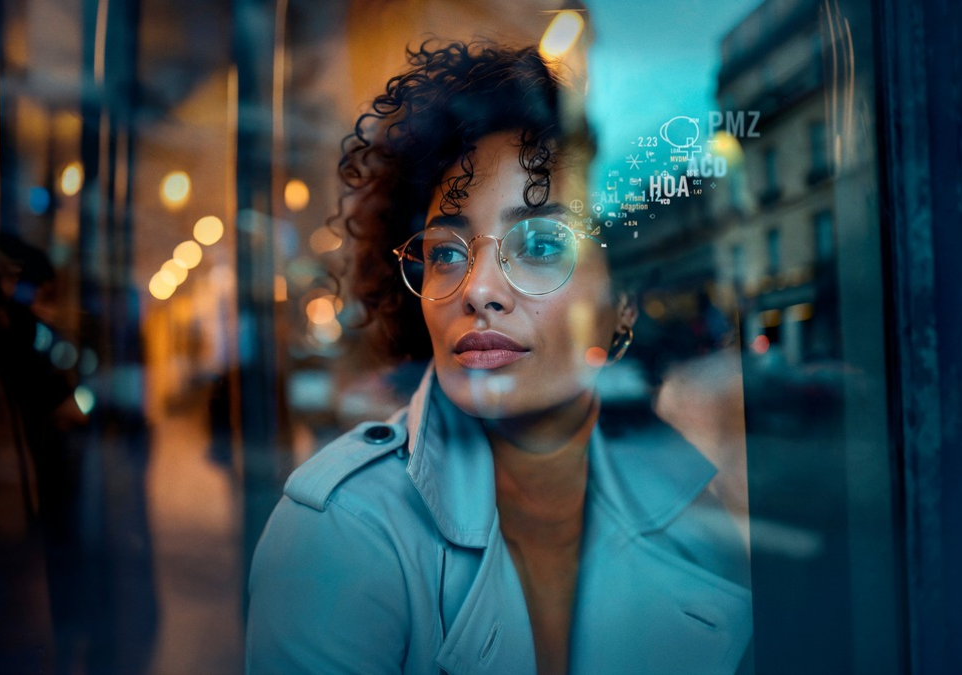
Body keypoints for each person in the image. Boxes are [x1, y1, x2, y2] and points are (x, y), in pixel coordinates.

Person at [246, 41, 752, 675]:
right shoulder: (340, 534)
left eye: (540, 243)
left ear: (620, 301)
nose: (479, 289)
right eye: (447, 252)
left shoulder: (701, 513)